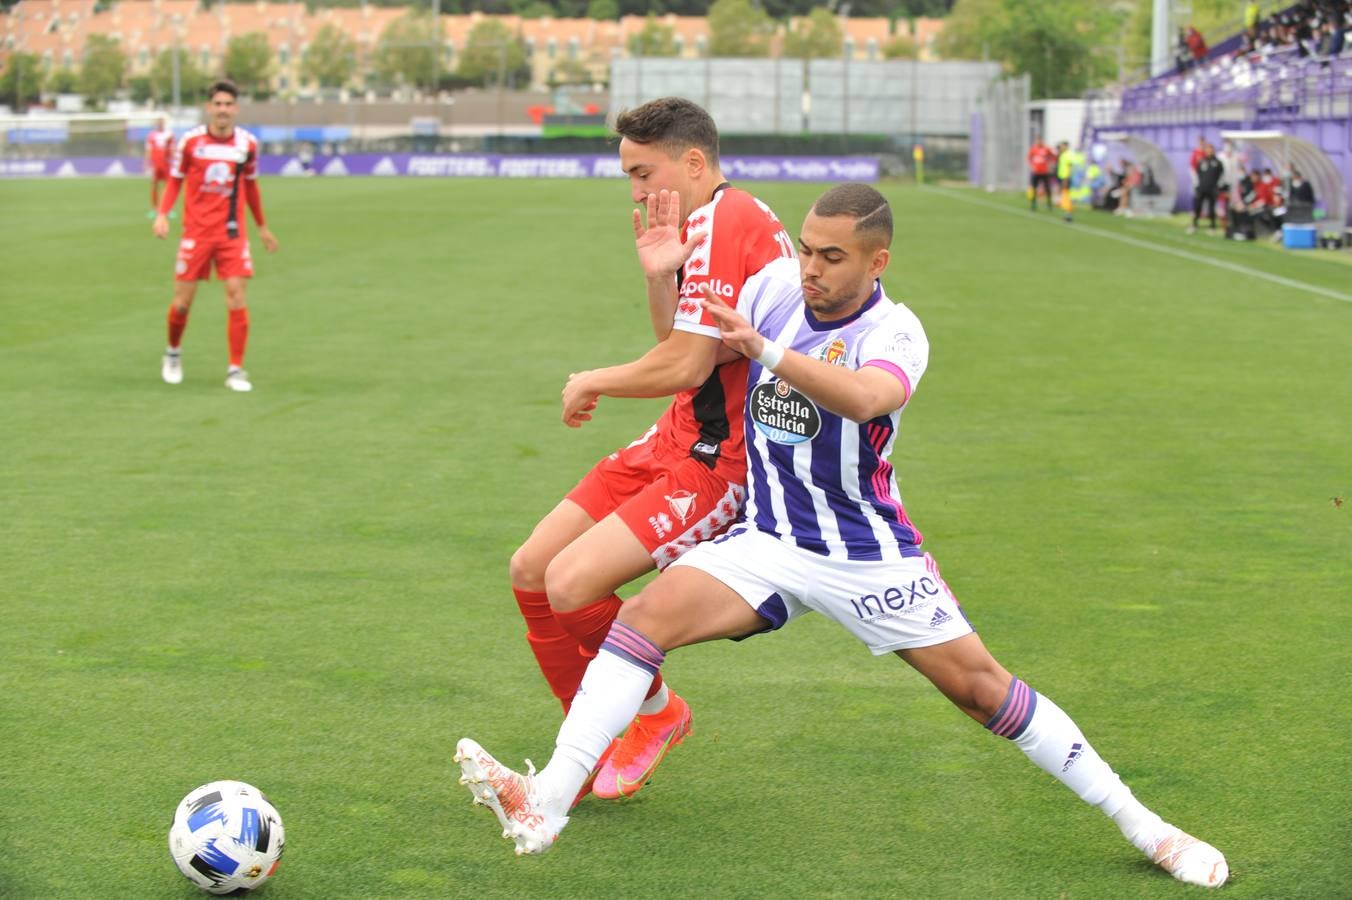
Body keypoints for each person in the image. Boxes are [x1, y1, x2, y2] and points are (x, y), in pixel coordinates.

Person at [455, 184, 1230, 889]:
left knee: (981, 690)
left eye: (831, 256)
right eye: (804, 248)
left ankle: (1149, 828)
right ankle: (546, 803)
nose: (810, 268)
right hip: (768, 540)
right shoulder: (773, 290)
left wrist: (766, 351)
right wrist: (665, 279)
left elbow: (865, 399)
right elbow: (690, 360)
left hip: (866, 556)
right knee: (640, 622)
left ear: (876, 259)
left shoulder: (895, 330)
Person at [507, 97, 793, 803]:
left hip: (721, 460)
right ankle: (591, 747)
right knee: (531, 569)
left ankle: (656, 711)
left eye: (643, 172)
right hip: (676, 436)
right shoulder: (706, 221)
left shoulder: (731, 220)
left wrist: (593, 379)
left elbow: (688, 367)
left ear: (693, 162)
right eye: (629, 176)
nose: (636, 191)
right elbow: (680, 341)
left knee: (572, 585)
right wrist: (659, 273)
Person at [153, 80, 278, 392]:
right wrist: (162, 214)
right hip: (196, 232)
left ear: (235, 108)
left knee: (237, 295)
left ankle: (235, 370)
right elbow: (175, 179)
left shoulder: (247, 144)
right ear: (209, 108)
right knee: (182, 303)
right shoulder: (191, 142)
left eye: (228, 105)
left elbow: (251, 187)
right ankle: (172, 353)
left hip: (232, 234)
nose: (222, 110)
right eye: (217, 104)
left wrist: (262, 226)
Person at [1189, 142, 1224, 234]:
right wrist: (1196, 186)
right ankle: (1194, 225)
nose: (1210, 151)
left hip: (1212, 189)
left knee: (1212, 208)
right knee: (1197, 207)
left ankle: (1212, 227)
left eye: (1211, 149)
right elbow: (1197, 174)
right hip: (1201, 188)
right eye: (1208, 149)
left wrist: (1218, 187)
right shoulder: (1201, 161)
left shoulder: (1218, 163)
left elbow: (1221, 175)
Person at [145, 116, 175, 218]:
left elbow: (172, 150)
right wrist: (146, 163)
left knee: (168, 187)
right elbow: (148, 150)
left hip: (166, 164)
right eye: (158, 123)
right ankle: (154, 209)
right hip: (155, 165)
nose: (160, 124)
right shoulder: (151, 135)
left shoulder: (169, 135)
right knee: (154, 185)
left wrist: (175, 161)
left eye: (162, 123)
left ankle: (167, 209)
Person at [1026, 135, 1056, 212]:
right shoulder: (1033, 149)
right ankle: (1033, 204)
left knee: (1047, 188)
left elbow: (1053, 156)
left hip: (1044, 172)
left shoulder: (1046, 148)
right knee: (1034, 188)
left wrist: (1050, 165)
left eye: (1040, 140)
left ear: (1042, 140)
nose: (1039, 142)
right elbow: (1029, 158)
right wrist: (1032, 166)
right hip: (1036, 172)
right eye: (1037, 140)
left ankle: (1049, 204)